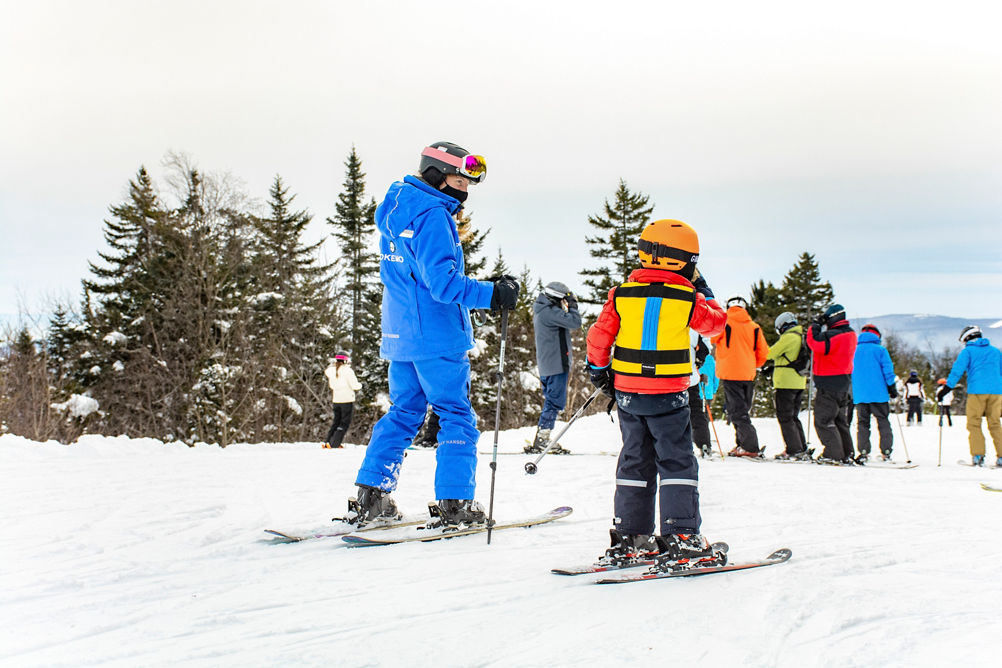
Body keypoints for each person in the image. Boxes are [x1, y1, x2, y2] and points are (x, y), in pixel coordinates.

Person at [344, 141, 519, 527]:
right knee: (455, 414)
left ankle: (372, 496)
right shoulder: (434, 216)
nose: (465, 191)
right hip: (437, 337)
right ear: (438, 177)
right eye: (460, 180)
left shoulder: (397, 208)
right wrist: (494, 294)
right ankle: (456, 504)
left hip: (400, 334)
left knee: (404, 412)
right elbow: (443, 285)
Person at [586, 218, 727, 571]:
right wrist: (704, 290)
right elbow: (717, 323)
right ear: (686, 263)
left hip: (629, 394)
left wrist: (600, 371)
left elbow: (599, 337)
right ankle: (682, 538)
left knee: (635, 459)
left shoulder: (621, 294)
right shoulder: (688, 298)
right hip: (669, 394)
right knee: (676, 461)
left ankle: (630, 538)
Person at [525, 281, 582, 454]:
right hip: (555, 364)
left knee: (552, 400)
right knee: (554, 401)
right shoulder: (549, 312)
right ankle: (543, 438)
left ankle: (541, 437)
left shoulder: (543, 309)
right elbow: (575, 322)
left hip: (550, 363)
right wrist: (572, 305)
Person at [711, 295, 769, 457]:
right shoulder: (754, 327)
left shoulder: (725, 323)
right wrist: (751, 364)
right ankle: (742, 444)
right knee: (742, 410)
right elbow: (763, 353)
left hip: (730, 372)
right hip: (748, 374)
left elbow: (713, 338)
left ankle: (750, 447)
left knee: (737, 412)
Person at [939, 325, 1002, 467]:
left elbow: (957, 370)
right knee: (995, 423)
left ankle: (978, 456)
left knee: (974, 423)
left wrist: (947, 388)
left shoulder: (968, 352)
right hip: (997, 392)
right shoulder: (995, 352)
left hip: (977, 391)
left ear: (967, 338)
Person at [806, 304, 858, 464]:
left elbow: (814, 343)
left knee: (823, 420)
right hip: (844, 381)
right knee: (839, 420)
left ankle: (833, 453)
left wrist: (815, 326)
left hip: (828, 381)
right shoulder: (850, 334)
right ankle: (846, 452)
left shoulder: (832, 336)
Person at [766, 312, 809, 460]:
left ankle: (793, 449)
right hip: (798, 381)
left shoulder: (789, 337)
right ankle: (801, 446)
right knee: (793, 416)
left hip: (785, 382)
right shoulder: (800, 337)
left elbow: (769, 353)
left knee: (785, 417)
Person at [851, 324, 897, 461]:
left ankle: (864, 451)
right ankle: (886, 451)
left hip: (860, 394)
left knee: (863, 424)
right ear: (877, 335)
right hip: (879, 394)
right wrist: (892, 387)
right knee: (883, 422)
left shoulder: (853, 350)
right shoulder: (880, 350)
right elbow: (887, 370)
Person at [323, 352, 362, 449]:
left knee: (336, 421)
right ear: (345, 360)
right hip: (347, 399)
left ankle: (328, 442)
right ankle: (334, 444)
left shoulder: (331, 371)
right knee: (344, 423)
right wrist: (360, 385)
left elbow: (331, 386)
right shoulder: (347, 371)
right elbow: (355, 385)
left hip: (336, 400)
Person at [689, 336, 715, 458]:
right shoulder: (695, 326)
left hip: (677, 378)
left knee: (676, 414)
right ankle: (704, 444)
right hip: (692, 379)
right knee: (698, 414)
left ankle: (687, 444)